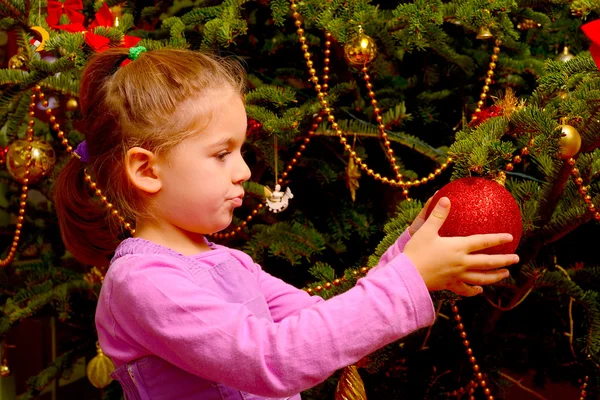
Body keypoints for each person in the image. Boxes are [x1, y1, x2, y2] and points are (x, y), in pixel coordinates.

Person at [53, 47, 519, 400]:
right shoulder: (142, 283)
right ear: (147, 170)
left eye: (239, 151)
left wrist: (412, 251)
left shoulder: (231, 263)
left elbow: (323, 327)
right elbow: (273, 358)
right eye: (221, 154)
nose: (244, 171)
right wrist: (410, 276)